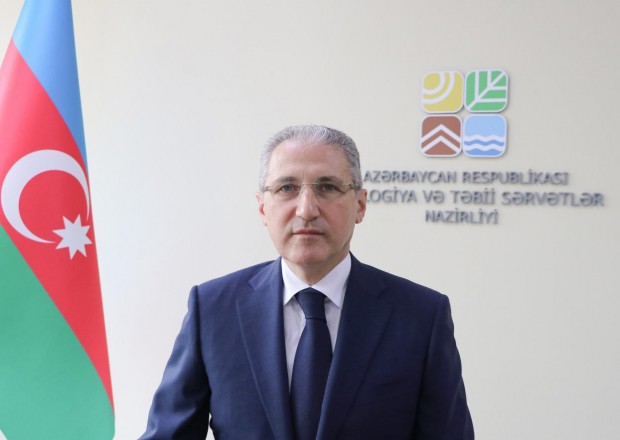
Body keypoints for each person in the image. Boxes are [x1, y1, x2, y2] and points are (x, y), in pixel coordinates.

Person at [140, 125, 474, 439]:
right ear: (263, 208)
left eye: (327, 187)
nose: (306, 209)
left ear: (359, 205)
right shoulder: (213, 309)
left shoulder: (421, 316)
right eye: (286, 188)